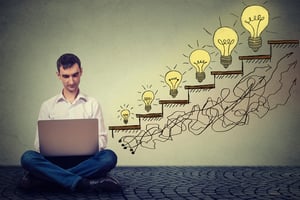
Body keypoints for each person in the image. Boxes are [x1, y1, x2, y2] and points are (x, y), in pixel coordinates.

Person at [19, 53, 120, 192]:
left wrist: (88, 145)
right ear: (58, 75)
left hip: (85, 161)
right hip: (55, 161)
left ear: (81, 72)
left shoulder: (92, 103)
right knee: (28, 157)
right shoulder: (47, 105)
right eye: (66, 76)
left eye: (75, 75)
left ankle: (47, 179)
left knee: (109, 157)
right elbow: (38, 144)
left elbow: (102, 139)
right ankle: (83, 183)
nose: (71, 81)